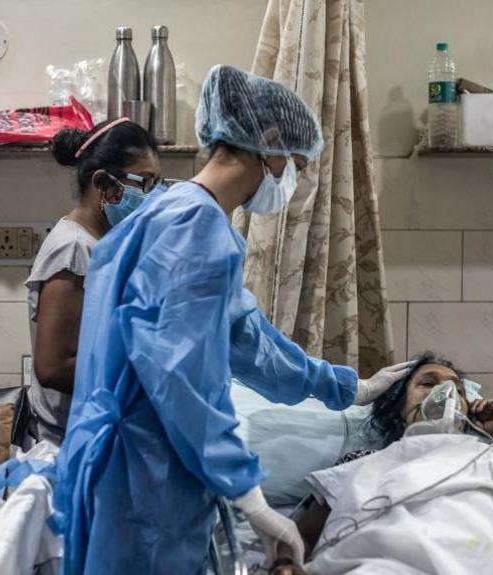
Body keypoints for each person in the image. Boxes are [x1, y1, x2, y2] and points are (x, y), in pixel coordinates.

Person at [52, 64, 414, 575]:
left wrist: (346, 388)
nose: (295, 177)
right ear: (268, 142)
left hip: (125, 470)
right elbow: (182, 377)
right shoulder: (195, 228)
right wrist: (250, 496)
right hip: (144, 480)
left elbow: (247, 340)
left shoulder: (173, 213)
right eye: (296, 162)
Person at [269, 352, 493, 575]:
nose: (445, 393)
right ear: (396, 406)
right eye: (427, 384)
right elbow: (300, 534)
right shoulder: (363, 461)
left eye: (457, 388)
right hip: (389, 557)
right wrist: (286, 565)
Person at [25, 119, 162, 444]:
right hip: (71, 439)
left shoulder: (103, 242)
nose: (153, 197)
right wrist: (142, 373)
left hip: (102, 424)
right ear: (103, 183)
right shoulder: (74, 250)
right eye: (144, 183)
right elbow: (53, 367)